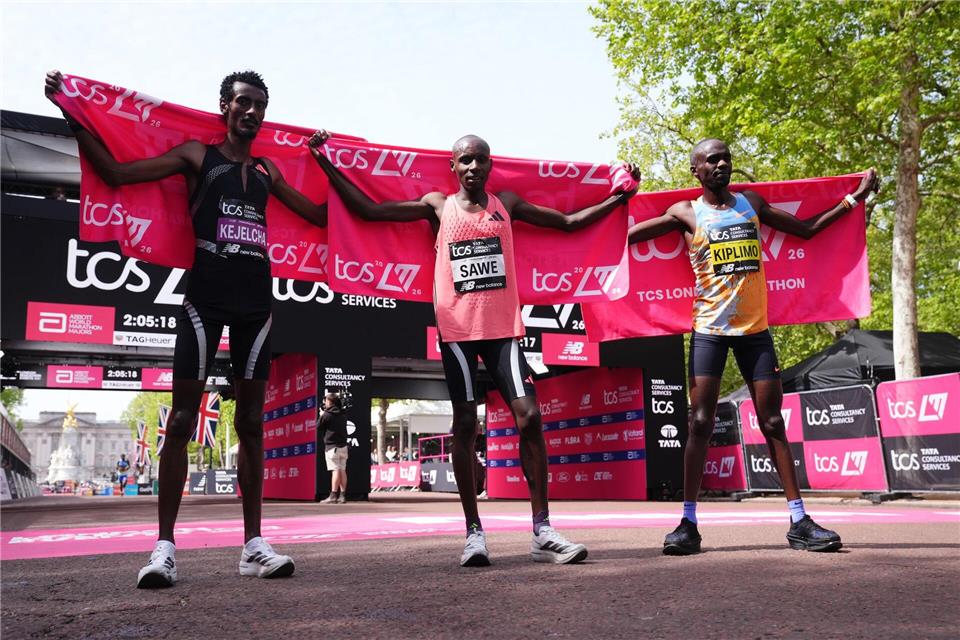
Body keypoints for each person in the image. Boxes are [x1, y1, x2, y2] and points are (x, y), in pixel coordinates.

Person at [45, 69, 329, 587]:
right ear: (225, 107)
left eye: (259, 105)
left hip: (256, 306)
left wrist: (331, 161)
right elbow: (115, 173)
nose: (252, 112)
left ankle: (253, 546)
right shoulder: (198, 157)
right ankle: (164, 549)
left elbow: (319, 215)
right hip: (205, 301)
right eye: (243, 102)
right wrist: (73, 112)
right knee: (180, 421)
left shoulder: (267, 171)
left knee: (251, 424)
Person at [310, 130, 640, 566]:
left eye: (480, 159)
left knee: (530, 417)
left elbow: (568, 223)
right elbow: (368, 211)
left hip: (503, 330)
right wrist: (326, 162)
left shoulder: (508, 204)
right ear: (453, 166)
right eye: (465, 160)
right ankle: (473, 533)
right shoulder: (437, 206)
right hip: (458, 332)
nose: (472, 167)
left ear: (490, 165)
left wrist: (619, 198)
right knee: (465, 423)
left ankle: (542, 531)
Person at [627, 138, 879, 555]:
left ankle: (800, 521)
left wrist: (855, 198)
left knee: (773, 422)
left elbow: (808, 230)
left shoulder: (752, 204)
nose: (721, 164)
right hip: (710, 331)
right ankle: (687, 523)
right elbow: (623, 239)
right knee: (700, 422)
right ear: (695, 170)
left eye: (726, 158)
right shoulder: (685, 213)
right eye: (712, 160)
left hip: (754, 332)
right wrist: (623, 195)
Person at [318, 392, 349, 504]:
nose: (325, 403)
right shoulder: (343, 414)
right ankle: (342, 496)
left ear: (330, 402)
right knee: (342, 470)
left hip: (332, 447)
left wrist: (322, 415)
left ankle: (333, 495)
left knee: (335, 470)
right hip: (343, 446)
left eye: (326, 401)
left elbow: (318, 427)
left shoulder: (326, 415)